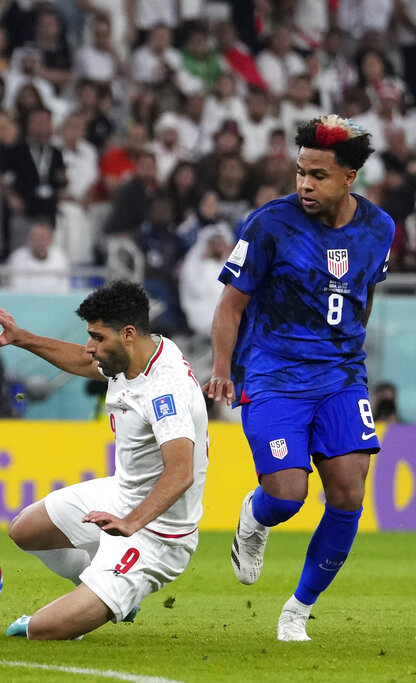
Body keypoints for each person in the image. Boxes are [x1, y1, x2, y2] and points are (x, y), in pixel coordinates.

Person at [204, 115, 393, 642]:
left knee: (349, 494)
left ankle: (297, 610)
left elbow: (364, 292)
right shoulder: (270, 224)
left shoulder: (380, 229)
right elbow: (230, 304)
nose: (305, 184)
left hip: (339, 376)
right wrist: (222, 370)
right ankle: (256, 516)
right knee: (286, 496)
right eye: (300, 173)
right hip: (274, 374)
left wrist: (350, 349)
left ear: (349, 177)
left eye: (319, 175)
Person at [0, 280, 208, 641]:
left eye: (97, 337)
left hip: (158, 532)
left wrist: (131, 523)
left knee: (40, 632)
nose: (90, 347)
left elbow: (181, 472)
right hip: (121, 494)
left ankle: (103, 589)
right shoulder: (140, 351)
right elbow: (86, 363)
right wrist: (20, 337)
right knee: (25, 529)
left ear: (128, 333)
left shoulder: (165, 390)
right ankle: (100, 580)